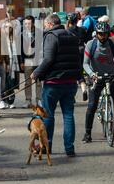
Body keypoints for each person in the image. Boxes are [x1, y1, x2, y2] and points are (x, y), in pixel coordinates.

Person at [31, 14, 81, 156]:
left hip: (54, 82)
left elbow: (48, 59)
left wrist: (36, 73)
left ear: (50, 24)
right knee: (68, 115)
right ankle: (69, 148)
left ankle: (47, 146)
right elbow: (78, 58)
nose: (45, 28)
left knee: (48, 115)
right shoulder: (72, 36)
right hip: (70, 82)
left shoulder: (51, 36)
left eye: (46, 25)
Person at [82, 21, 114, 143]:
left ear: (108, 34)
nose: (103, 36)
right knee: (92, 105)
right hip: (96, 77)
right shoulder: (91, 45)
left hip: (111, 76)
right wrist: (92, 74)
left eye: (105, 34)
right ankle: (87, 132)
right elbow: (85, 64)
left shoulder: (113, 44)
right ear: (96, 33)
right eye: (100, 34)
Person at [21, 15, 43, 108]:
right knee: (27, 82)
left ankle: (39, 100)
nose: (27, 25)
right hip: (27, 59)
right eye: (25, 23)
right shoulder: (22, 34)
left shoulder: (39, 33)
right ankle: (28, 100)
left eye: (29, 23)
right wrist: (21, 61)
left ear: (33, 23)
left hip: (37, 59)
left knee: (38, 81)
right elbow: (20, 49)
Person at [67, 12, 88, 101]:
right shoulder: (82, 29)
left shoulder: (68, 30)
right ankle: (84, 89)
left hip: (72, 51)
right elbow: (87, 39)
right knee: (79, 71)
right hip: (82, 50)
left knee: (71, 73)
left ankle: (72, 95)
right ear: (77, 20)